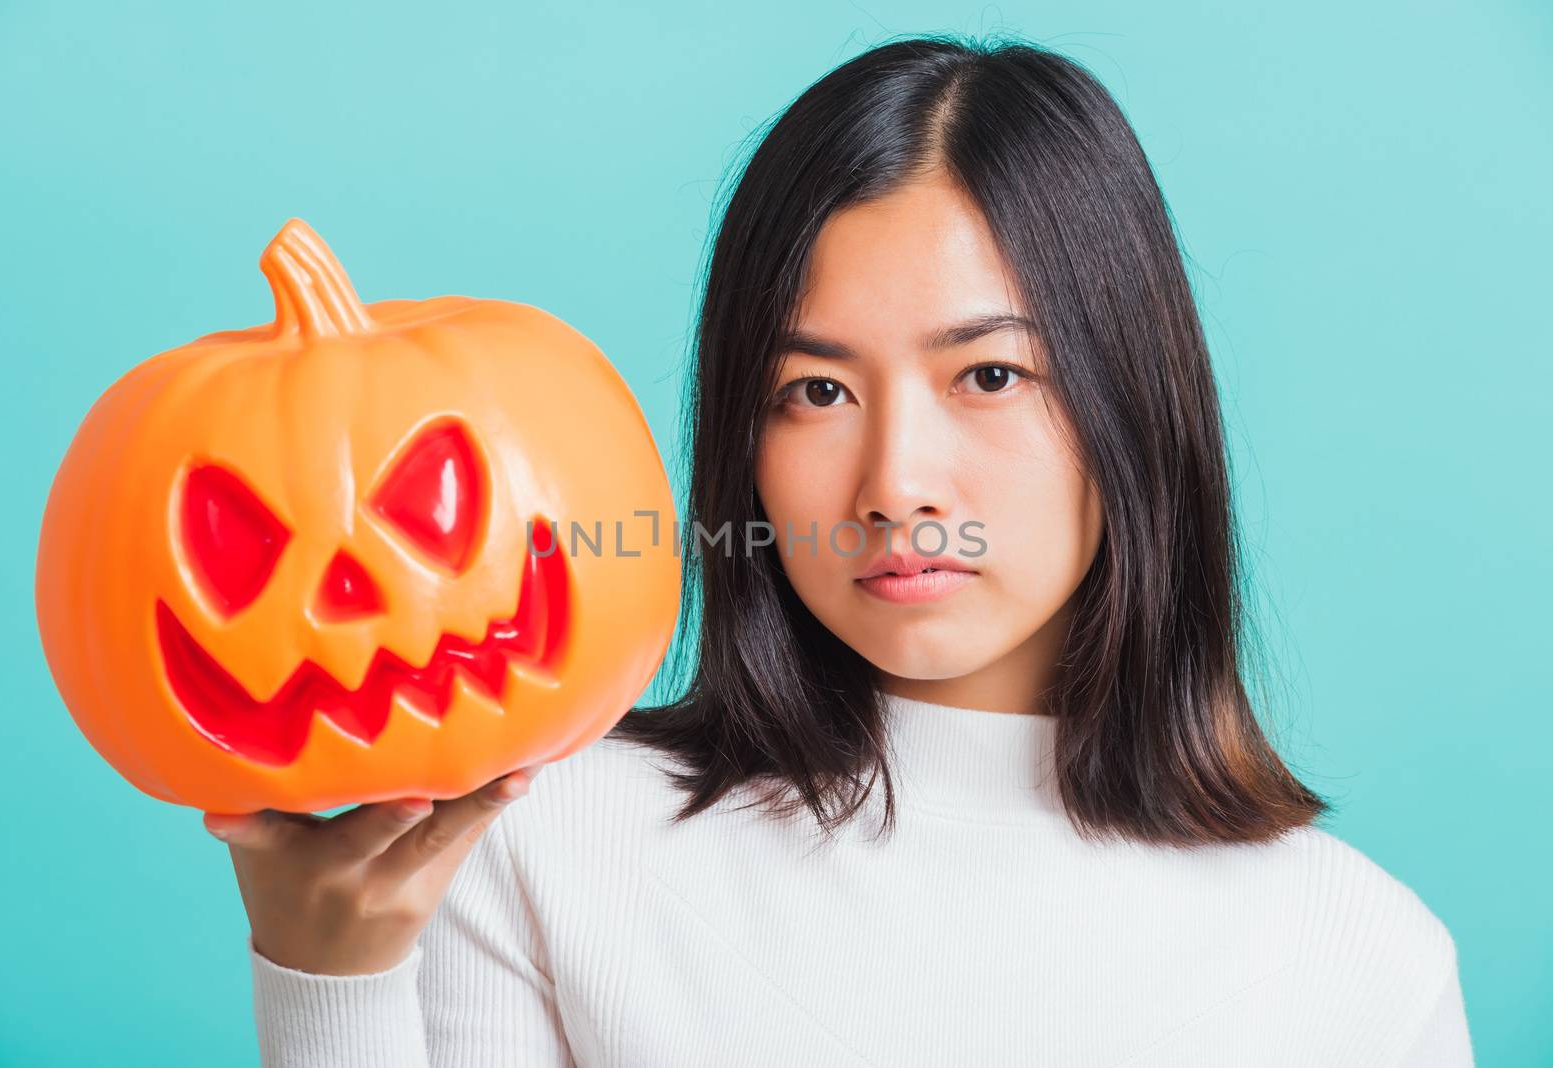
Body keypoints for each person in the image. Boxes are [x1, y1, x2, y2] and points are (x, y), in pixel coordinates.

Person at [206, 34, 1474, 1067]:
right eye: (814, 393)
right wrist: (331, 984)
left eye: (989, 373)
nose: (895, 483)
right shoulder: (541, 836)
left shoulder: (1358, 960)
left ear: (1131, 410)